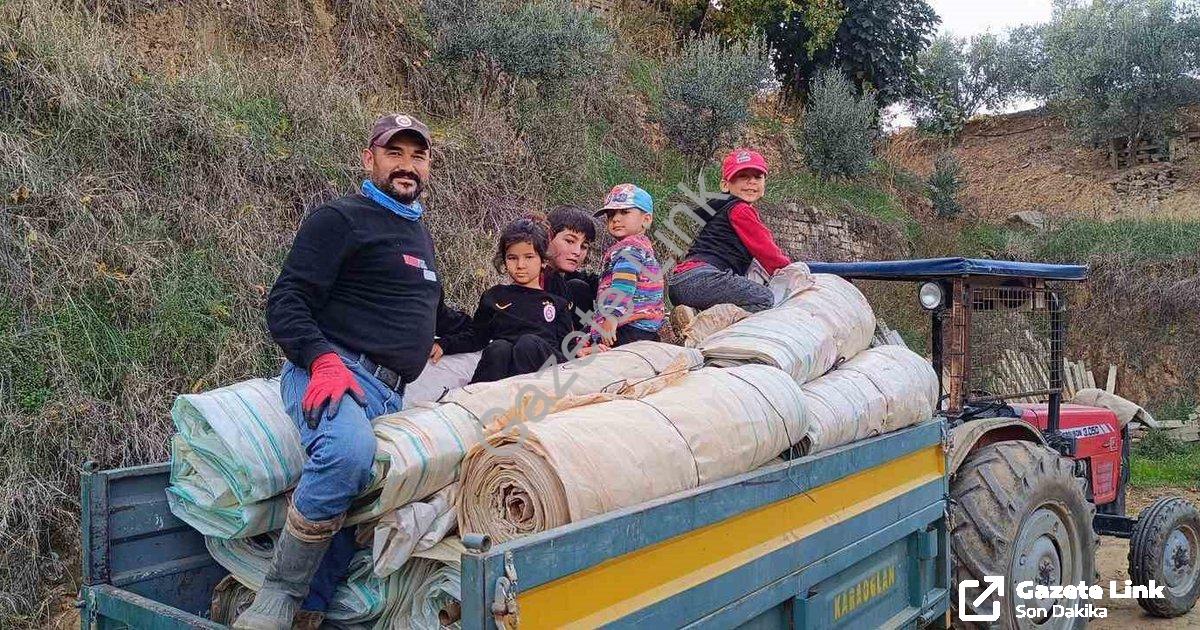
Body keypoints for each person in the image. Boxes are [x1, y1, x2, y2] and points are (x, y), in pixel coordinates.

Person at [235, 113, 467, 630]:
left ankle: (309, 612)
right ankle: (278, 593)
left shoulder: (417, 234)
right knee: (347, 451)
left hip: (390, 392)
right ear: (370, 159)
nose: (407, 166)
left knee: (367, 485)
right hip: (336, 372)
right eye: (395, 154)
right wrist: (320, 359)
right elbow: (287, 300)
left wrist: (509, 325)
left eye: (418, 156)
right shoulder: (341, 219)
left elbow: (436, 317)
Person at [432, 214, 575, 383]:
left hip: (544, 377)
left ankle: (526, 399)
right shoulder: (494, 296)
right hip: (506, 374)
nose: (520, 265)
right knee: (498, 348)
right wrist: (444, 344)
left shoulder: (556, 304)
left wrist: (583, 351)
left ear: (543, 261)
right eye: (512, 258)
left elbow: (568, 350)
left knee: (527, 344)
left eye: (529, 257)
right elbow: (477, 336)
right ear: (504, 260)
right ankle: (478, 399)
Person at [667, 148, 791, 314]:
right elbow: (767, 252)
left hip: (682, 282)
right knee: (764, 298)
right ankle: (702, 325)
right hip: (703, 279)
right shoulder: (740, 210)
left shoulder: (720, 209)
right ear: (725, 185)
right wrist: (792, 271)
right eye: (743, 176)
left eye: (758, 176)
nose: (751, 181)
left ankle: (693, 314)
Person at [588, 183, 664, 347]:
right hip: (644, 330)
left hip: (626, 328)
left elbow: (624, 284)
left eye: (624, 212)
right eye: (611, 214)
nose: (616, 218)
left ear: (646, 219)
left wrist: (611, 316)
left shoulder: (628, 249)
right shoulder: (643, 248)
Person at [541, 204, 600, 330]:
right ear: (548, 237)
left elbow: (595, 281)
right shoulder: (534, 278)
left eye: (584, 246)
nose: (577, 252)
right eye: (569, 241)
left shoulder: (565, 278)